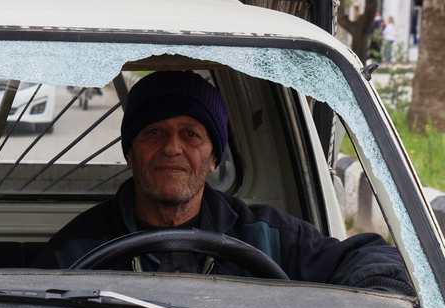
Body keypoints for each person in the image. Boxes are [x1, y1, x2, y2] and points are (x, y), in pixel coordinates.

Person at [33, 70, 414, 296]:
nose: (172, 148)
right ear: (130, 154)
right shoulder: (75, 249)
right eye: (153, 131)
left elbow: (376, 259)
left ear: (215, 158)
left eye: (191, 134)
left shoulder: (267, 235)